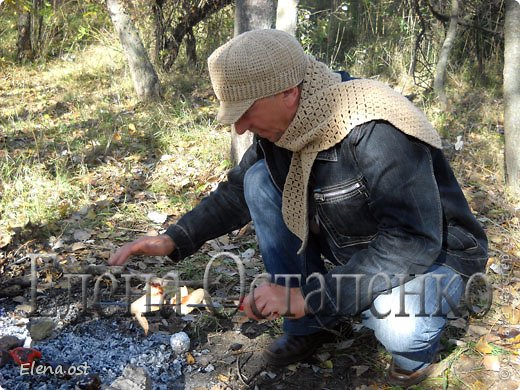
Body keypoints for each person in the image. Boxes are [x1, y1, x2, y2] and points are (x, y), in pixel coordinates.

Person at [109, 29, 487, 386]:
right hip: (357, 250)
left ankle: (413, 360)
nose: (240, 128)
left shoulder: (376, 129)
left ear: (288, 92)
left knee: (398, 323)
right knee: (259, 179)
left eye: (245, 112)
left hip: (435, 256)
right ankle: (310, 327)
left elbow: (411, 241)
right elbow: (237, 192)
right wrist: (175, 238)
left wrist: (307, 297)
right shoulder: (289, 126)